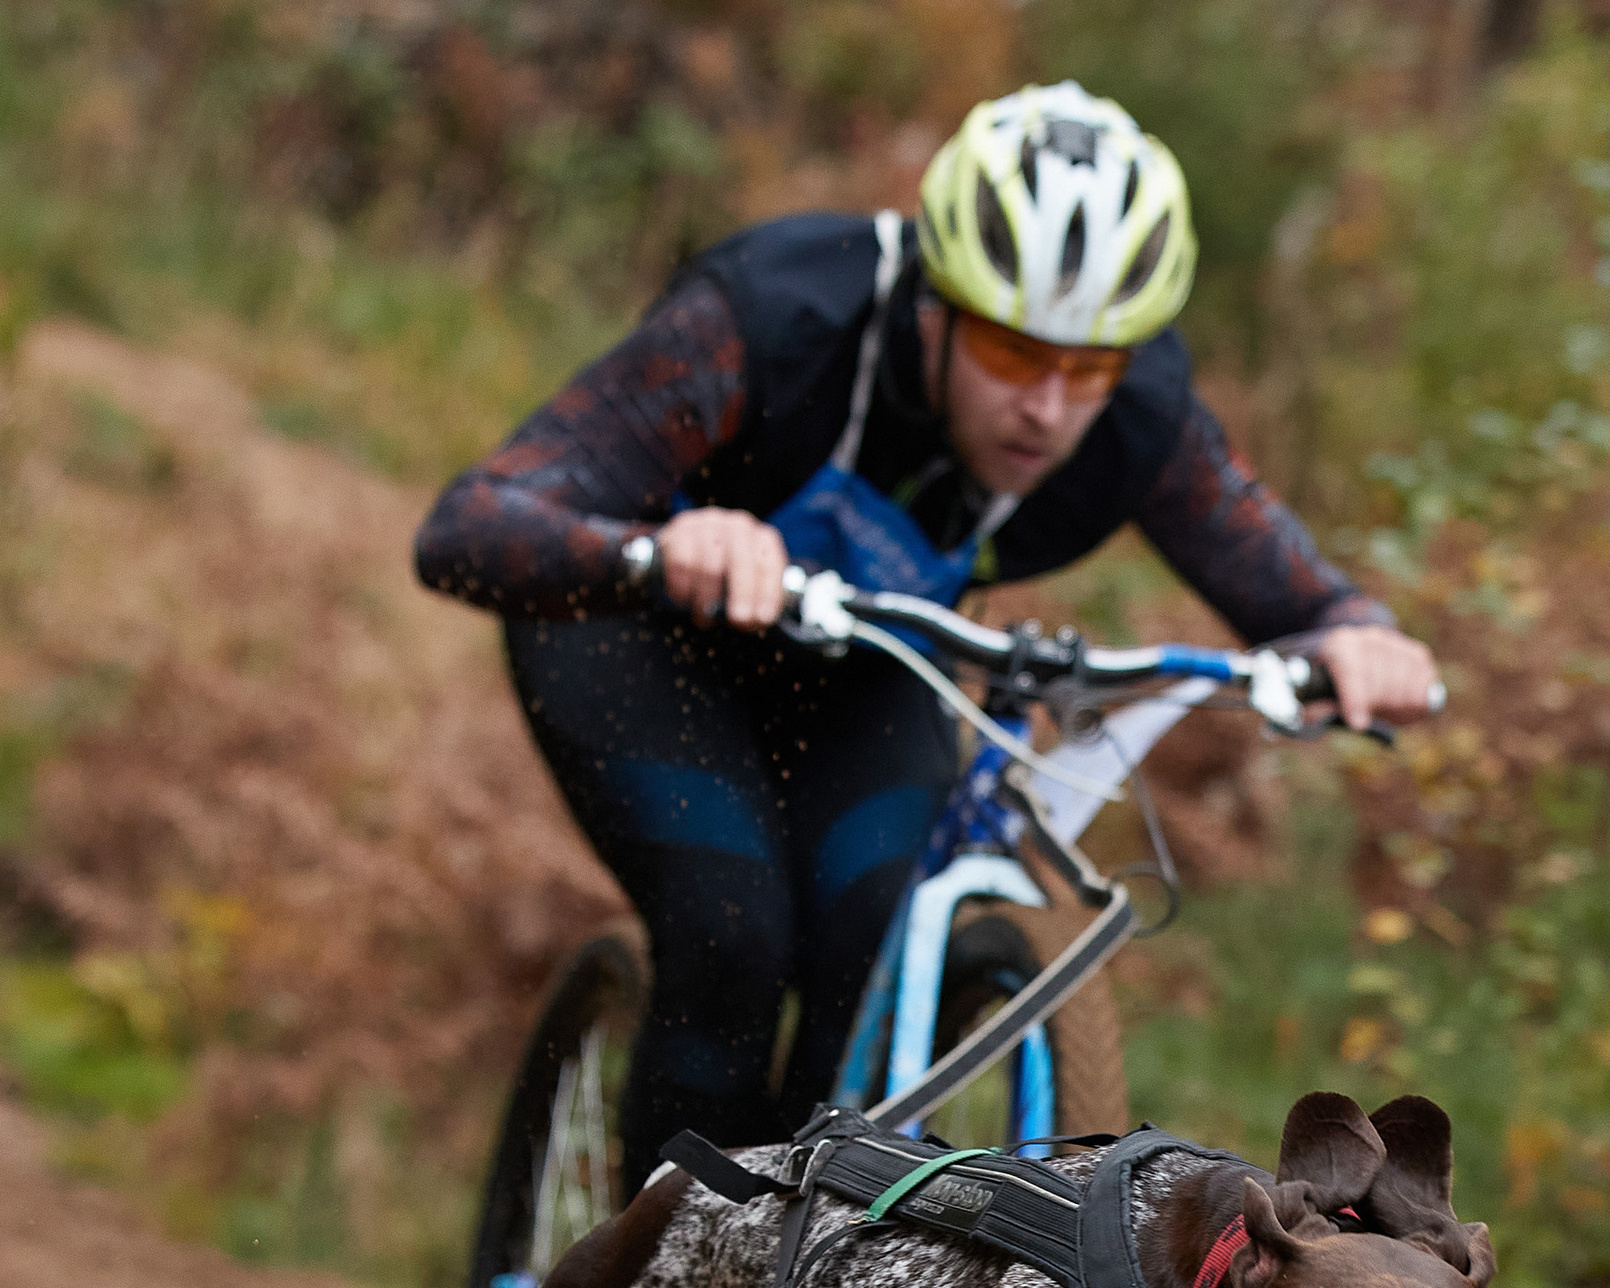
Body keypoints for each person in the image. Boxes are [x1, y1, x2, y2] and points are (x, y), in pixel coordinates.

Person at [416, 81, 1441, 1193]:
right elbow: (470, 526)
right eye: (1010, 354)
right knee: (731, 932)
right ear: (932, 310)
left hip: (864, 668)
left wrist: (1358, 637)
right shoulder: (775, 319)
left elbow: (1289, 583)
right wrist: (662, 550)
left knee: (871, 955)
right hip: (642, 639)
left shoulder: (1134, 412)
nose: (1046, 407)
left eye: (1087, 368)